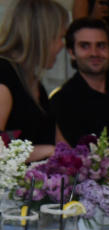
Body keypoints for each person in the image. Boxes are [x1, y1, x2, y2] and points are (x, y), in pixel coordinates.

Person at [0, 0, 68, 161]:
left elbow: (61, 146)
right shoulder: (4, 74)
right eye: (60, 37)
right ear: (43, 37)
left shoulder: (35, 84)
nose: (62, 45)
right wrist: (46, 151)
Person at [50, 18, 109, 146]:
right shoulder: (62, 101)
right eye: (85, 46)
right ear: (72, 52)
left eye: (101, 45)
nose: (94, 53)